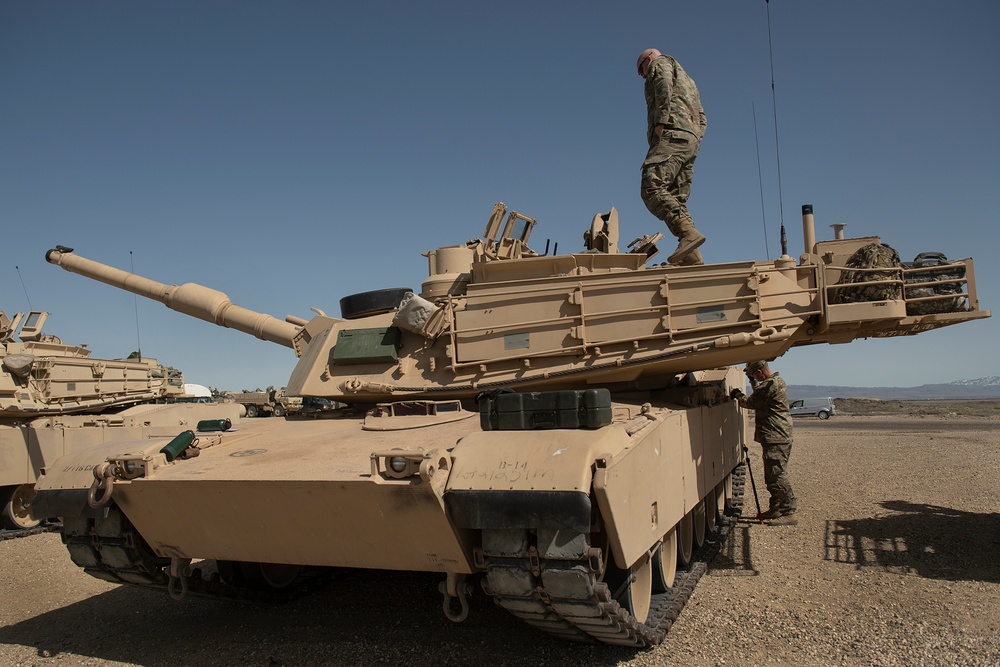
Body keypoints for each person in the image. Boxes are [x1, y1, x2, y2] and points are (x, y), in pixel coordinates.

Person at [636, 48, 708, 266]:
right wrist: (695, 134)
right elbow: (702, 115)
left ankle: (688, 235)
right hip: (690, 139)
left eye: (641, 71)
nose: (643, 76)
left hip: (672, 133)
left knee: (652, 187)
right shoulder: (688, 80)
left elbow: (663, 84)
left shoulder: (660, 64)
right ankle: (691, 256)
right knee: (676, 198)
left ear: (647, 60)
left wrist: (661, 122)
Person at [730, 359, 798, 523]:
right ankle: (776, 508)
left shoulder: (770, 385)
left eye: (755, 375)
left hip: (776, 436)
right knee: (772, 475)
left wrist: (737, 395)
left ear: (760, 372)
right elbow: (760, 393)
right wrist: (752, 380)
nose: (755, 378)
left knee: (777, 476)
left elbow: (751, 402)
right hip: (777, 436)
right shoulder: (774, 382)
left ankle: (789, 511)